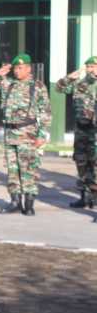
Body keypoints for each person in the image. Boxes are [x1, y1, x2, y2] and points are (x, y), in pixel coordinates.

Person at [0, 54, 51, 216]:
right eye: (15, 68)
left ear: (29, 68)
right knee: (12, 170)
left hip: (28, 133)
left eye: (20, 68)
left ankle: (29, 204)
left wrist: (42, 134)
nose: (16, 71)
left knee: (29, 169)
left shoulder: (37, 86)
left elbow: (45, 112)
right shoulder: (8, 84)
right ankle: (15, 201)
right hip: (10, 133)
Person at [55, 58, 97, 208]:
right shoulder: (79, 84)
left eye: (93, 66)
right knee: (81, 161)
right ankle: (84, 196)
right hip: (81, 129)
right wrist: (68, 78)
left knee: (95, 163)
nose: (91, 69)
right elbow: (59, 89)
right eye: (89, 66)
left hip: (95, 130)